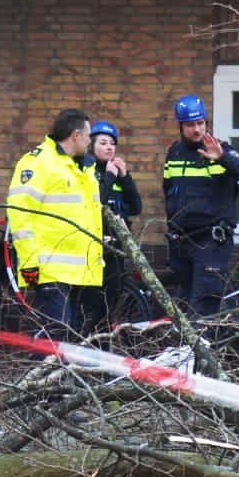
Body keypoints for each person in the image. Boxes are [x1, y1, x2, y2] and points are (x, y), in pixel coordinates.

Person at [5, 108, 103, 334]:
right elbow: (20, 213)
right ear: (76, 136)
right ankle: (40, 371)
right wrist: (30, 263)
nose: (90, 142)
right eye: (88, 136)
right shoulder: (38, 163)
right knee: (52, 340)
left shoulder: (83, 167)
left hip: (81, 272)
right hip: (49, 270)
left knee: (69, 340)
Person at [162, 94, 239, 317]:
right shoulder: (174, 151)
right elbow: (169, 190)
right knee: (185, 303)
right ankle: (190, 349)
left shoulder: (221, 149)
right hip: (181, 240)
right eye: (190, 125)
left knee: (204, 305)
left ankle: (201, 350)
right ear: (181, 126)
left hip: (211, 241)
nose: (197, 129)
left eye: (200, 123)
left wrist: (222, 157)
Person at [85, 120, 142, 326]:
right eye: (102, 143)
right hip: (94, 248)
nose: (109, 147)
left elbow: (135, 207)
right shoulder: (87, 171)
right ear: (91, 145)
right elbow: (97, 201)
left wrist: (125, 177)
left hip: (116, 248)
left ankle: (104, 345)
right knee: (93, 304)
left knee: (112, 301)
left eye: (112, 143)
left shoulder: (118, 173)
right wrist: (109, 176)